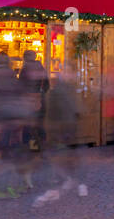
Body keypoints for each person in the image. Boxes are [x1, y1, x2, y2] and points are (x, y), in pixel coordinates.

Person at [34, 61, 88, 205]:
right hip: (61, 128)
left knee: (68, 155)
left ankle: (69, 179)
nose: (69, 75)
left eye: (70, 72)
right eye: (66, 72)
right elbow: (52, 111)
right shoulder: (56, 90)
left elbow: (76, 107)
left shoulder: (69, 88)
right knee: (62, 155)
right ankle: (63, 181)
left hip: (68, 127)